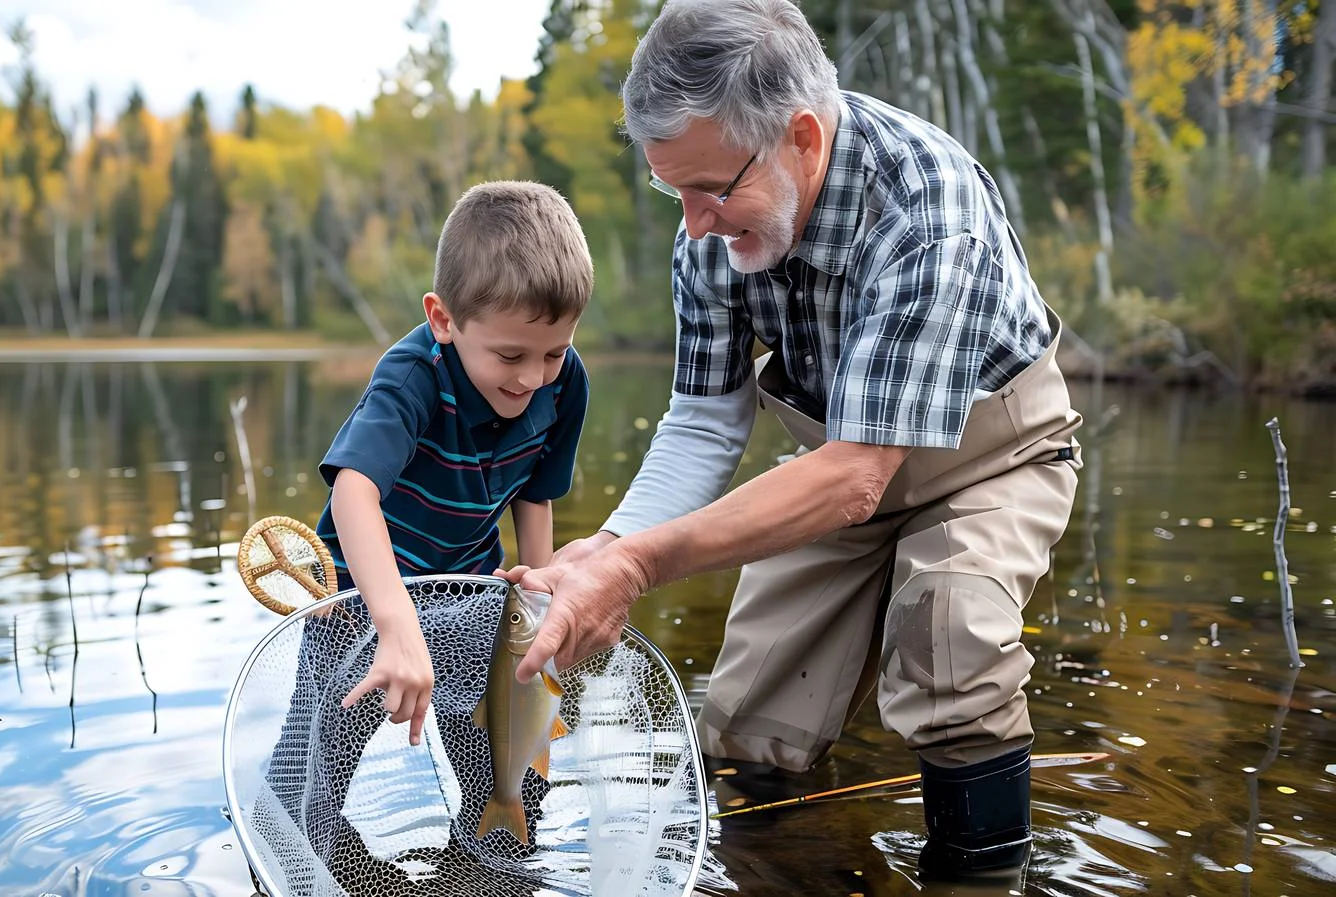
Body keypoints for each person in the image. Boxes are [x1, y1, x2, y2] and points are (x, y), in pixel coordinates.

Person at [502, 0, 1082, 881]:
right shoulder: (710, 239)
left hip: (990, 453)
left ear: (802, 138)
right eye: (673, 190)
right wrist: (607, 551)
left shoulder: (928, 210)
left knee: (951, 640)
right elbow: (703, 422)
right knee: (751, 713)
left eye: (713, 190)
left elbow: (857, 476)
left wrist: (640, 569)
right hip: (838, 463)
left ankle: (980, 875)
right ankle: (781, 866)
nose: (694, 222)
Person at [261, 180, 593, 880]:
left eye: (553, 352)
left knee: (508, 774)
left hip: (471, 599)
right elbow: (354, 491)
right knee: (303, 795)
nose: (534, 377)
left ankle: (491, 871)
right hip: (356, 610)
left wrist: (538, 595)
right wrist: (394, 621)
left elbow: (536, 490)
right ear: (444, 319)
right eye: (510, 356)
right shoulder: (413, 375)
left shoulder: (565, 382)